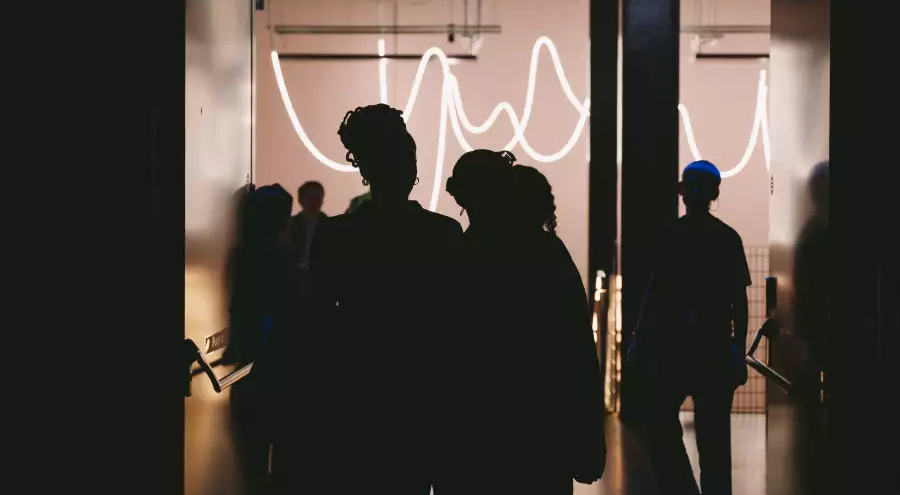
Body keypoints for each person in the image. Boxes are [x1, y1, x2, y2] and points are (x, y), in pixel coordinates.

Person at [267, 104, 463, 495]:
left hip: (355, 395)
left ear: (365, 171)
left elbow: (317, 318)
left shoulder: (339, 235)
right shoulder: (443, 234)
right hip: (423, 395)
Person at [435, 150, 606, 495]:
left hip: (466, 434)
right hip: (539, 431)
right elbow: (576, 349)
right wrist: (587, 434)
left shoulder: (452, 256)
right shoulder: (546, 253)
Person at [629, 160, 751, 495]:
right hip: (713, 349)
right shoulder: (728, 238)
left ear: (683, 193)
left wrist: (640, 344)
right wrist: (737, 353)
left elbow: (654, 296)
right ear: (716, 192)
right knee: (714, 443)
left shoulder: (669, 236)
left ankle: (682, 488)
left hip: (672, 351)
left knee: (659, 424)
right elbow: (738, 304)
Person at [225, 183, 301, 495]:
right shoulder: (283, 252)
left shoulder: (245, 253)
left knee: (252, 454)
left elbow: (242, 305)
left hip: (253, 365)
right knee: (280, 451)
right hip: (278, 365)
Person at [287, 181, 328, 269]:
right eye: (310, 198)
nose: (314, 202)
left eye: (317, 197)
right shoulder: (290, 225)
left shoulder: (330, 226)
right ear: (300, 200)